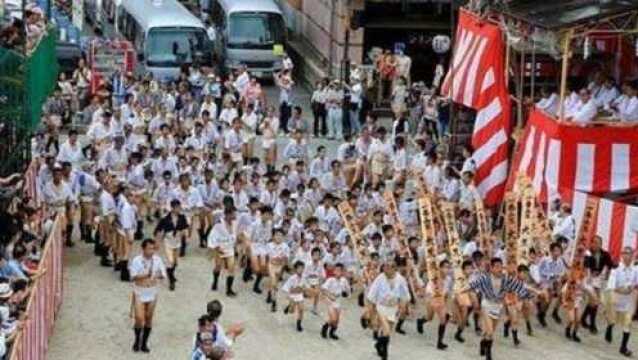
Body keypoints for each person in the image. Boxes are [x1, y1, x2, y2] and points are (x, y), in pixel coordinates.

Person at [467, 257, 534, 360]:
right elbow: (473, 286)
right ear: (492, 267)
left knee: (490, 332)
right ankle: (489, 355)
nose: (501, 268)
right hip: (488, 304)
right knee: (491, 331)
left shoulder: (507, 278)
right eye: (497, 266)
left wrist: (536, 291)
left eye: (501, 266)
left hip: (499, 306)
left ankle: (483, 342)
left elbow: (523, 287)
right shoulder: (486, 277)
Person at [367, 259, 410, 360]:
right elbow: (371, 296)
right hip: (381, 307)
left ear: (394, 269)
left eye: (389, 267)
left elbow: (405, 295)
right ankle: (385, 354)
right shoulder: (380, 278)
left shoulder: (400, 279)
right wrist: (371, 314)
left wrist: (403, 307)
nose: (386, 269)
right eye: (385, 267)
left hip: (393, 308)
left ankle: (378, 345)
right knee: (386, 331)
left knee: (387, 332)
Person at [129, 239, 166, 353]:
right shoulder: (136, 260)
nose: (152, 251)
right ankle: (136, 339)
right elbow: (133, 277)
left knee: (149, 318)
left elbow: (163, 274)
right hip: (140, 291)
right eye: (149, 248)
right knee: (139, 318)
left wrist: (157, 275)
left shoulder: (157, 260)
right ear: (143, 249)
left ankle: (144, 342)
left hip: (152, 291)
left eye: (153, 248)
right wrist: (146, 275)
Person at [605, 246, 637, 357]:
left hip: (628, 301)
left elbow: (635, 283)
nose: (627, 256)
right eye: (625, 253)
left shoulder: (635, 269)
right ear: (622, 255)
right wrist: (623, 290)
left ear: (633, 255)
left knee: (627, 323)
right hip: (616, 299)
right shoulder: (616, 269)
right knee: (613, 319)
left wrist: (632, 288)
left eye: (629, 254)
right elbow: (611, 287)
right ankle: (609, 327)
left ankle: (623, 347)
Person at [154, 199, 189, 291]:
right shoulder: (165, 219)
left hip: (177, 241)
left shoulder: (182, 217)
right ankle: (171, 281)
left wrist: (184, 234)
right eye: (177, 207)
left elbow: (185, 228)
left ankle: (171, 273)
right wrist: (157, 242)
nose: (179, 209)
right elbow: (158, 230)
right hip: (168, 241)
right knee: (170, 261)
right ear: (172, 208)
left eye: (179, 207)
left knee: (175, 262)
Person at [208, 207, 239, 297]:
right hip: (220, 248)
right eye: (233, 214)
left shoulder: (234, 223)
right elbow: (212, 237)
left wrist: (235, 246)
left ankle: (229, 290)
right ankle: (215, 281)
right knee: (218, 266)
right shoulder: (218, 224)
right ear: (228, 214)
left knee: (231, 268)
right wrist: (216, 248)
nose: (235, 215)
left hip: (229, 248)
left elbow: (235, 236)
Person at [320, 263, 350, 340]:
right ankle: (325, 328)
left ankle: (332, 333)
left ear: (342, 272)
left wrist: (346, 294)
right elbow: (323, 289)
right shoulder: (330, 280)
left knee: (336, 321)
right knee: (333, 318)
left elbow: (348, 291)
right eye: (336, 270)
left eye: (340, 270)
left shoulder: (344, 281)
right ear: (334, 271)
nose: (338, 272)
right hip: (330, 301)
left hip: (338, 301)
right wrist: (330, 296)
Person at [281, 260, 307, 332]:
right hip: (292, 295)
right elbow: (286, 288)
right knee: (291, 311)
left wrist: (304, 290)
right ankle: (289, 307)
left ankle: (299, 324)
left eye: (302, 268)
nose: (301, 270)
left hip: (299, 295)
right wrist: (289, 296)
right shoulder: (292, 278)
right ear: (296, 269)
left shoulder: (304, 277)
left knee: (301, 309)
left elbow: (305, 286)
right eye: (299, 268)